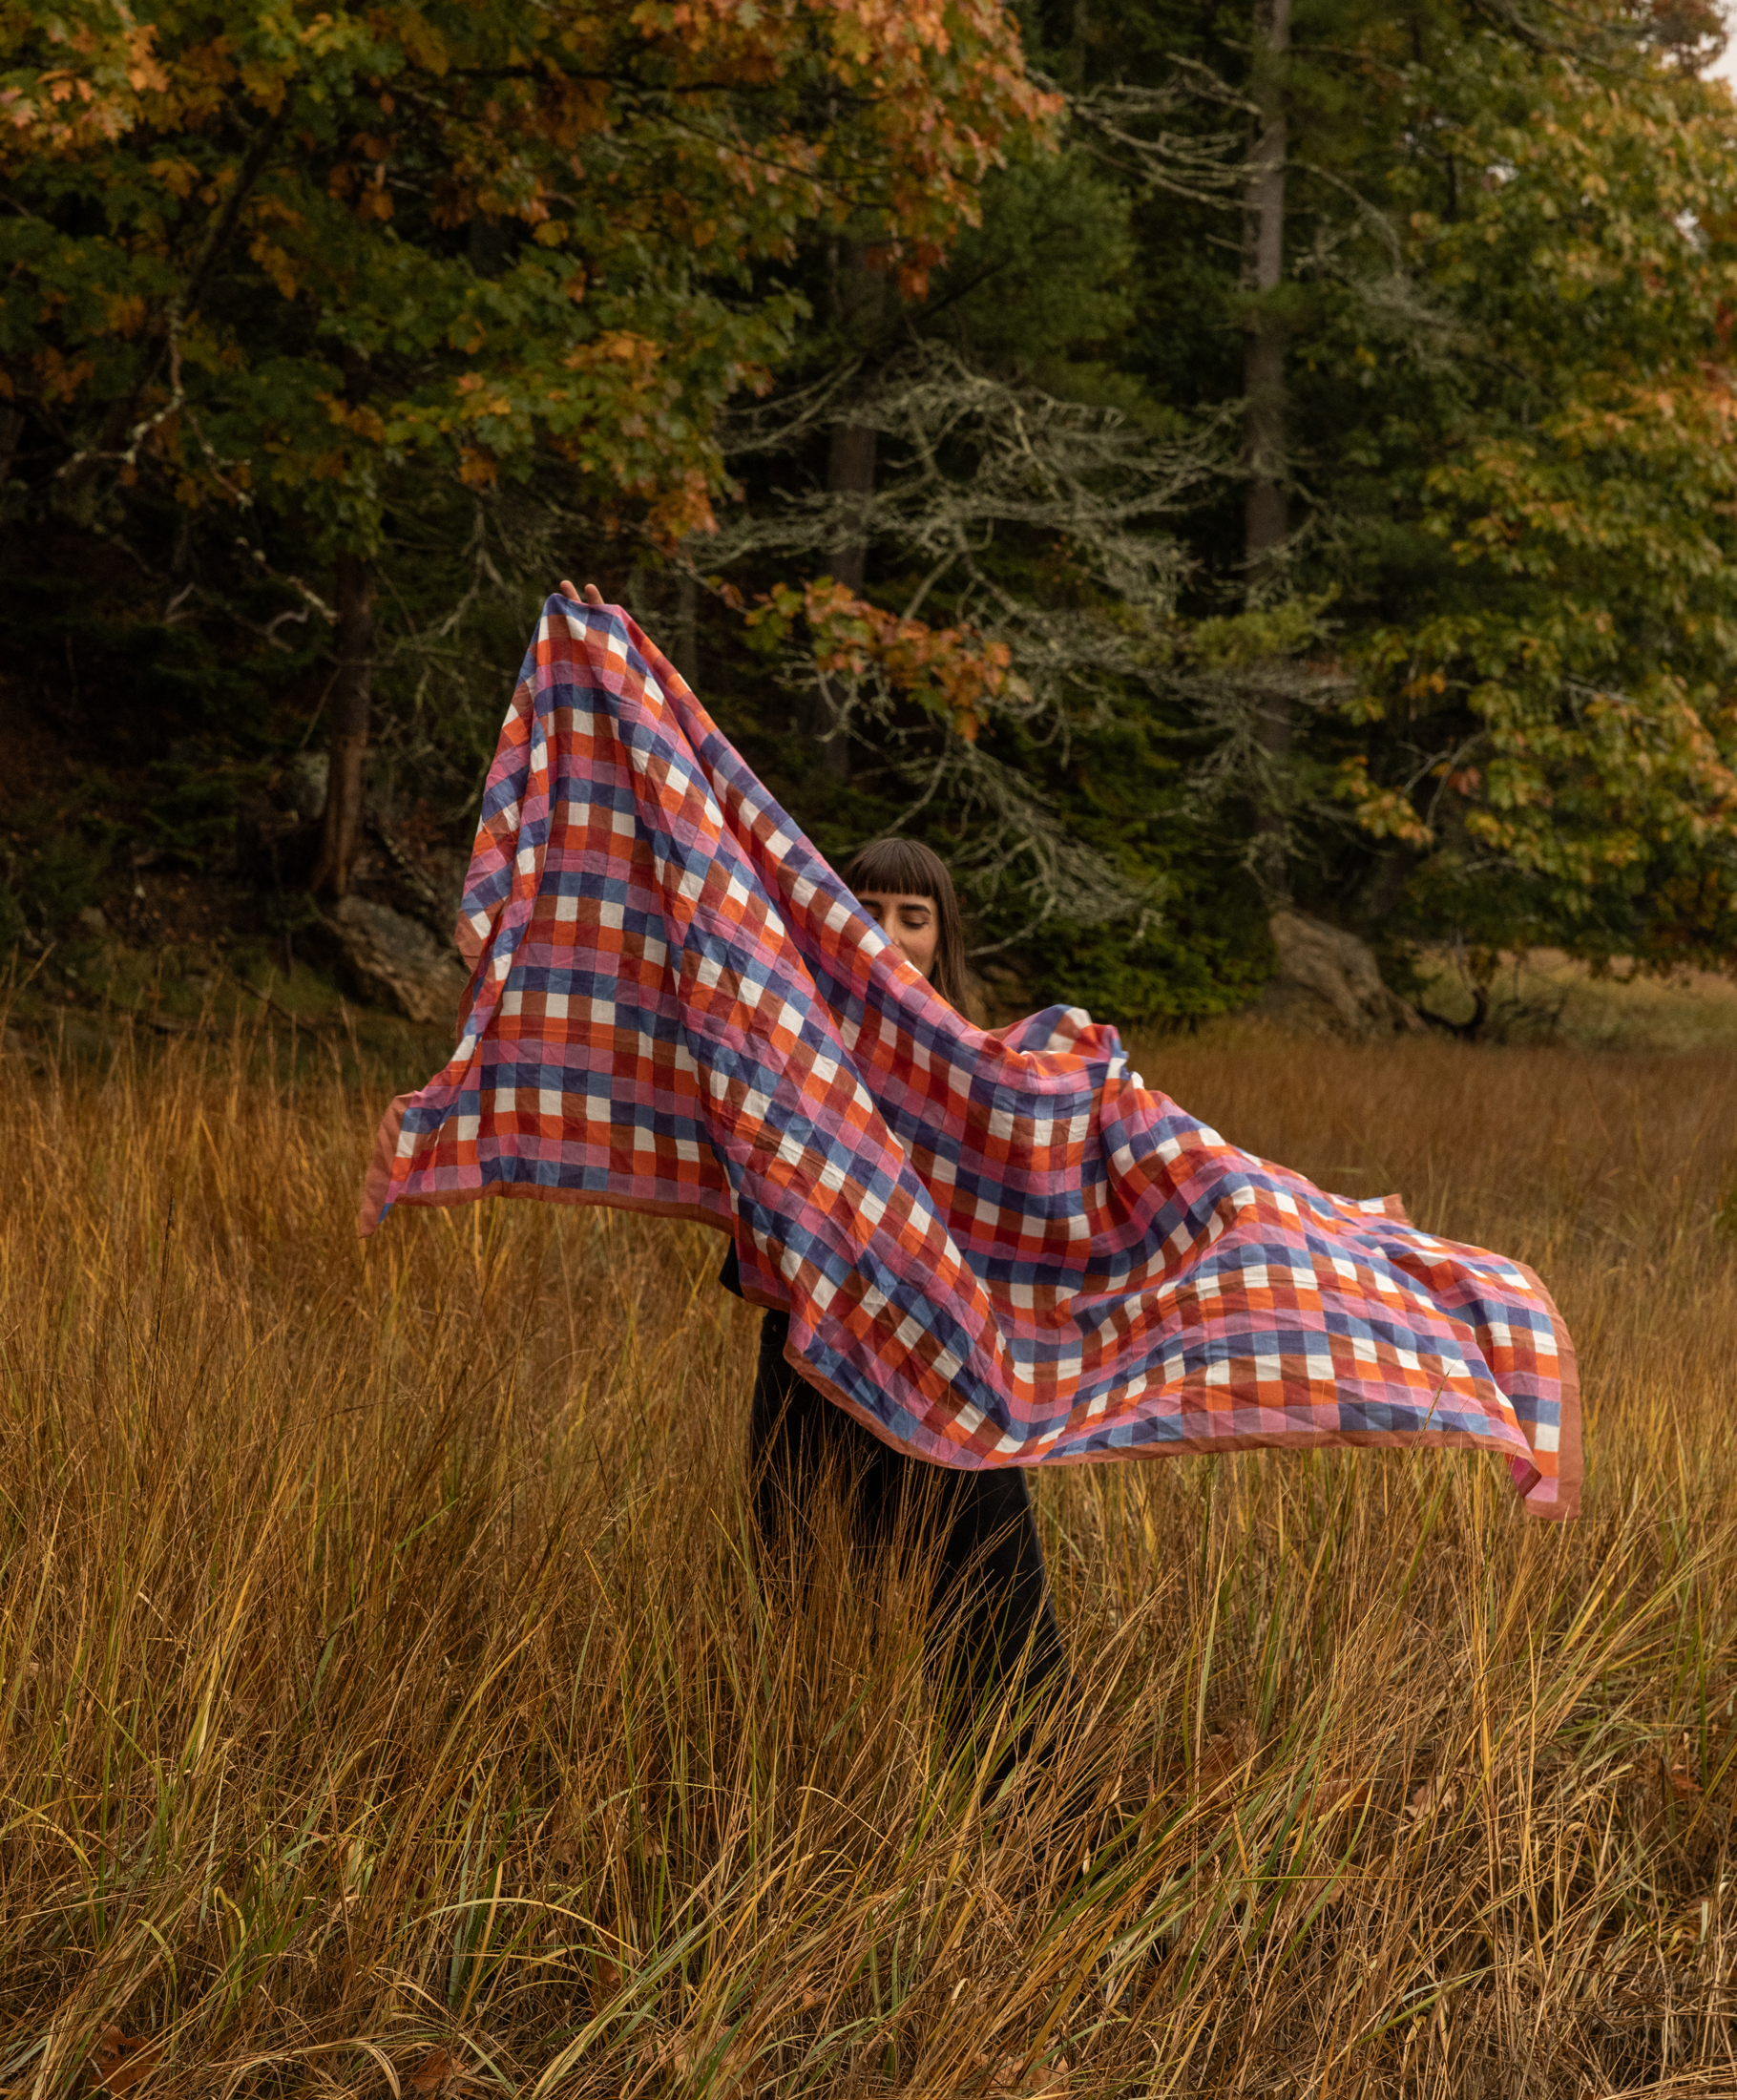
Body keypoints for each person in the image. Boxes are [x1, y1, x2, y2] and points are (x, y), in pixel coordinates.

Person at [558, 581, 1072, 1769]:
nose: (892, 937)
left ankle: (1016, 1799)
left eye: (915, 919)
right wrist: (611, 665)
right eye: (870, 912)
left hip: (945, 1364)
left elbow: (1049, 1192)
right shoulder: (790, 1052)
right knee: (798, 1590)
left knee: (986, 1606)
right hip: (807, 1360)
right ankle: (808, 1785)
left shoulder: (985, 1065)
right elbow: (684, 878)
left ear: (945, 935)